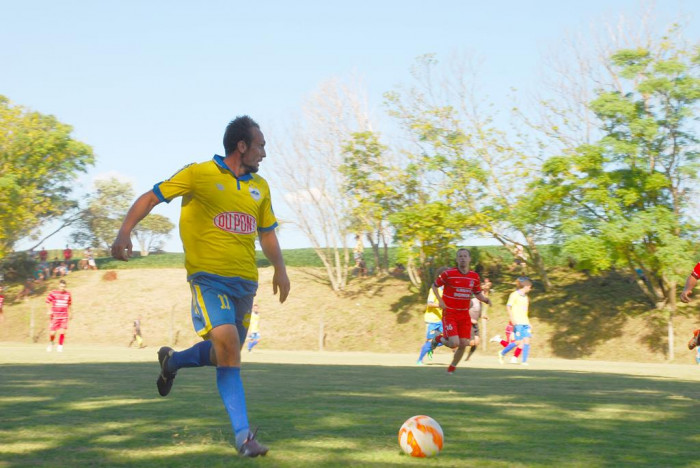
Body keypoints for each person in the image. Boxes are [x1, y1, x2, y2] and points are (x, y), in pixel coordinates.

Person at [111, 115, 290, 458]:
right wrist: (124, 232)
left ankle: (173, 362)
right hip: (208, 279)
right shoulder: (198, 174)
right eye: (261, 145)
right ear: (242, 146)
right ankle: (243, 438)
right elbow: (151, 197)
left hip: (245, 285)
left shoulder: (260, 187)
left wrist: (280, 269)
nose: (264, 152)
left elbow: (266, 233)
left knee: (226, 351)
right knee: (229, 343)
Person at [429, 248, 491, 374]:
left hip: (464, 315)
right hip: (450, 313)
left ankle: (451, 369)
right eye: (460, 256)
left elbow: (478, 293)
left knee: (463, 343)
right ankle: (438, 338)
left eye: (465, 256)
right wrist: (440, 300)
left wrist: (485, 299)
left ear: (469, 259)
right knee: (454, 343)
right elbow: (434, 286)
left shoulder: (474, 276)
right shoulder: (448, 274)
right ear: (457, 259)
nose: (463, 258)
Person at [498, 277, 533, 366]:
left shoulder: (526, 298)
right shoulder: (514, 295)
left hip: (525, 323)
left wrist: (528, 322)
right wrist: (512, 319)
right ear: (526, 286)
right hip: (518, 322)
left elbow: (525, 311)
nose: (530, 289)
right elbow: (508, 307)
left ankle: (524, 361)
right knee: (518, 342)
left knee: (527, 341)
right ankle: (502, 353)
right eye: (530, 287)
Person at [416, 271, 446, 365]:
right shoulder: (434, 289)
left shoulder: (447, 290)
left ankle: (431, 347)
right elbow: (429, 303)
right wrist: (440, 305)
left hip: (441, 320)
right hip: (432, 320)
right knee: (429, 341)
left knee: (448, 338)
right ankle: (419, 360)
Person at [46, 279, 72, 352]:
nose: (62, 288)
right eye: (61, 286)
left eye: (64, 286)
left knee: (62, 332)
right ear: (58, 286)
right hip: (55, 316)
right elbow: (47, 301)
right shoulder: (53, 293)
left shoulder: (68, 294)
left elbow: (69, 304)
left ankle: (60, 346)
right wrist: (49, 310)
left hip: (64, 316)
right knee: (52, 333)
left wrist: (70, 313)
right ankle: (51, 343)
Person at [464, 296, 489, 361]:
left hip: (475, 324)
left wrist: (484, 316)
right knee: (472, 342)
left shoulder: (480, 304)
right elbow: (464, 311)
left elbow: (479, 314)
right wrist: (471, 319)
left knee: (476, 342)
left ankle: (468, 357)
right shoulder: (472, 301)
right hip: (468, 323)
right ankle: (460, 344)